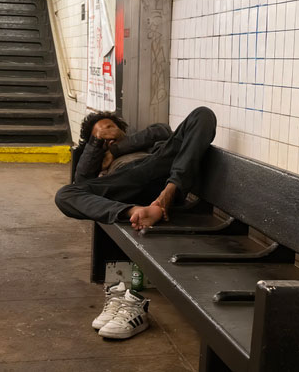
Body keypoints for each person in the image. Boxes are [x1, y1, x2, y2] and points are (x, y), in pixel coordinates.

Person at [54, 106, 217, 339]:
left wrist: (119, 146)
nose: (107, 131)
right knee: (64, 195)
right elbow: (81, 180)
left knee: (202, 113)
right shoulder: (95, 152)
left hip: (157, 166)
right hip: (121, 182)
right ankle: (134, 211)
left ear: (121, 128)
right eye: (100, 131)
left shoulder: (141, 138)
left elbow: (162, 130)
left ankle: (169, 192)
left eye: (111, 126)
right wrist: (96, 144)